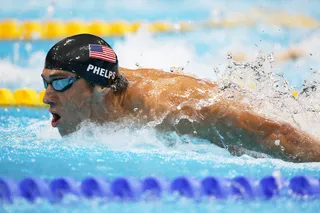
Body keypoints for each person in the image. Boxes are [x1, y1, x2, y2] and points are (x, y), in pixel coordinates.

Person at [41, 33, 320, 163]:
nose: (46, 98)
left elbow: (277, 132)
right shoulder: (101, 88)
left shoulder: (172, 108)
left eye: (60, 82)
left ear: (98, 86)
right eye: (45, 82)